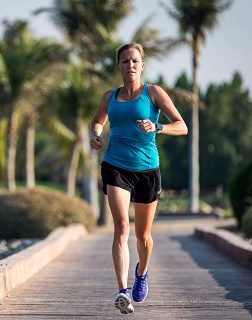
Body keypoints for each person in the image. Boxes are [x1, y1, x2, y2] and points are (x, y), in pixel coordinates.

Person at [90, 42, 188, 314]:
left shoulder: (153, 93)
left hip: (147, 170)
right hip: (115, 166)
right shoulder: (109, 97)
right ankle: (122, 291)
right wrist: (95, 134)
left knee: (143, 236)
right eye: (124, 61)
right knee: (121, 227)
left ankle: (141, 274)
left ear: (142, 64)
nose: (130, 66)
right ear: (118, 66)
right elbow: (97, 120)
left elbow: (182, 126)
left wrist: (158, 127)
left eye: (134, 61)